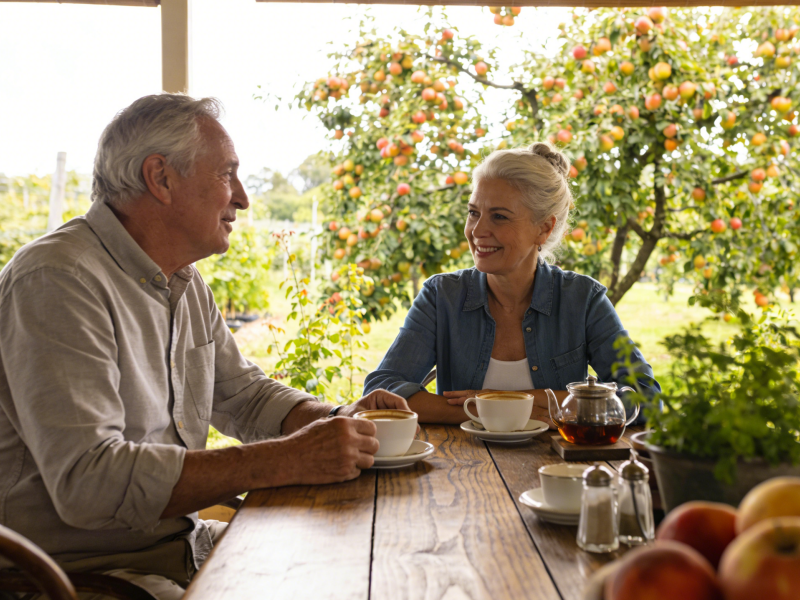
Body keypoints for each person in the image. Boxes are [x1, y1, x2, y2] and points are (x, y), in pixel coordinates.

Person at [0, 94, 408, 600]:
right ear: (161, 178)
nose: (243, 198)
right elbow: (90, 482)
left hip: (178, 548)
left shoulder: (182, 282)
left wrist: (340, 419)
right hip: (78, 577)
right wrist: (287, 460)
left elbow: (245, 397)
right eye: (227, 174)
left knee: (354, 572)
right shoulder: (59, 279)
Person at [363, 142, 660, 425]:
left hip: (556, 459)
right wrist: (488, 409)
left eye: (499, 217)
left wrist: (527, 400)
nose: (477, 230)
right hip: (462, 462)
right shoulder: (441, 296)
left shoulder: (583, 299)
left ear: (544, 228)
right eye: (473, 213)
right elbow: (381, 391)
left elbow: (646, 398)